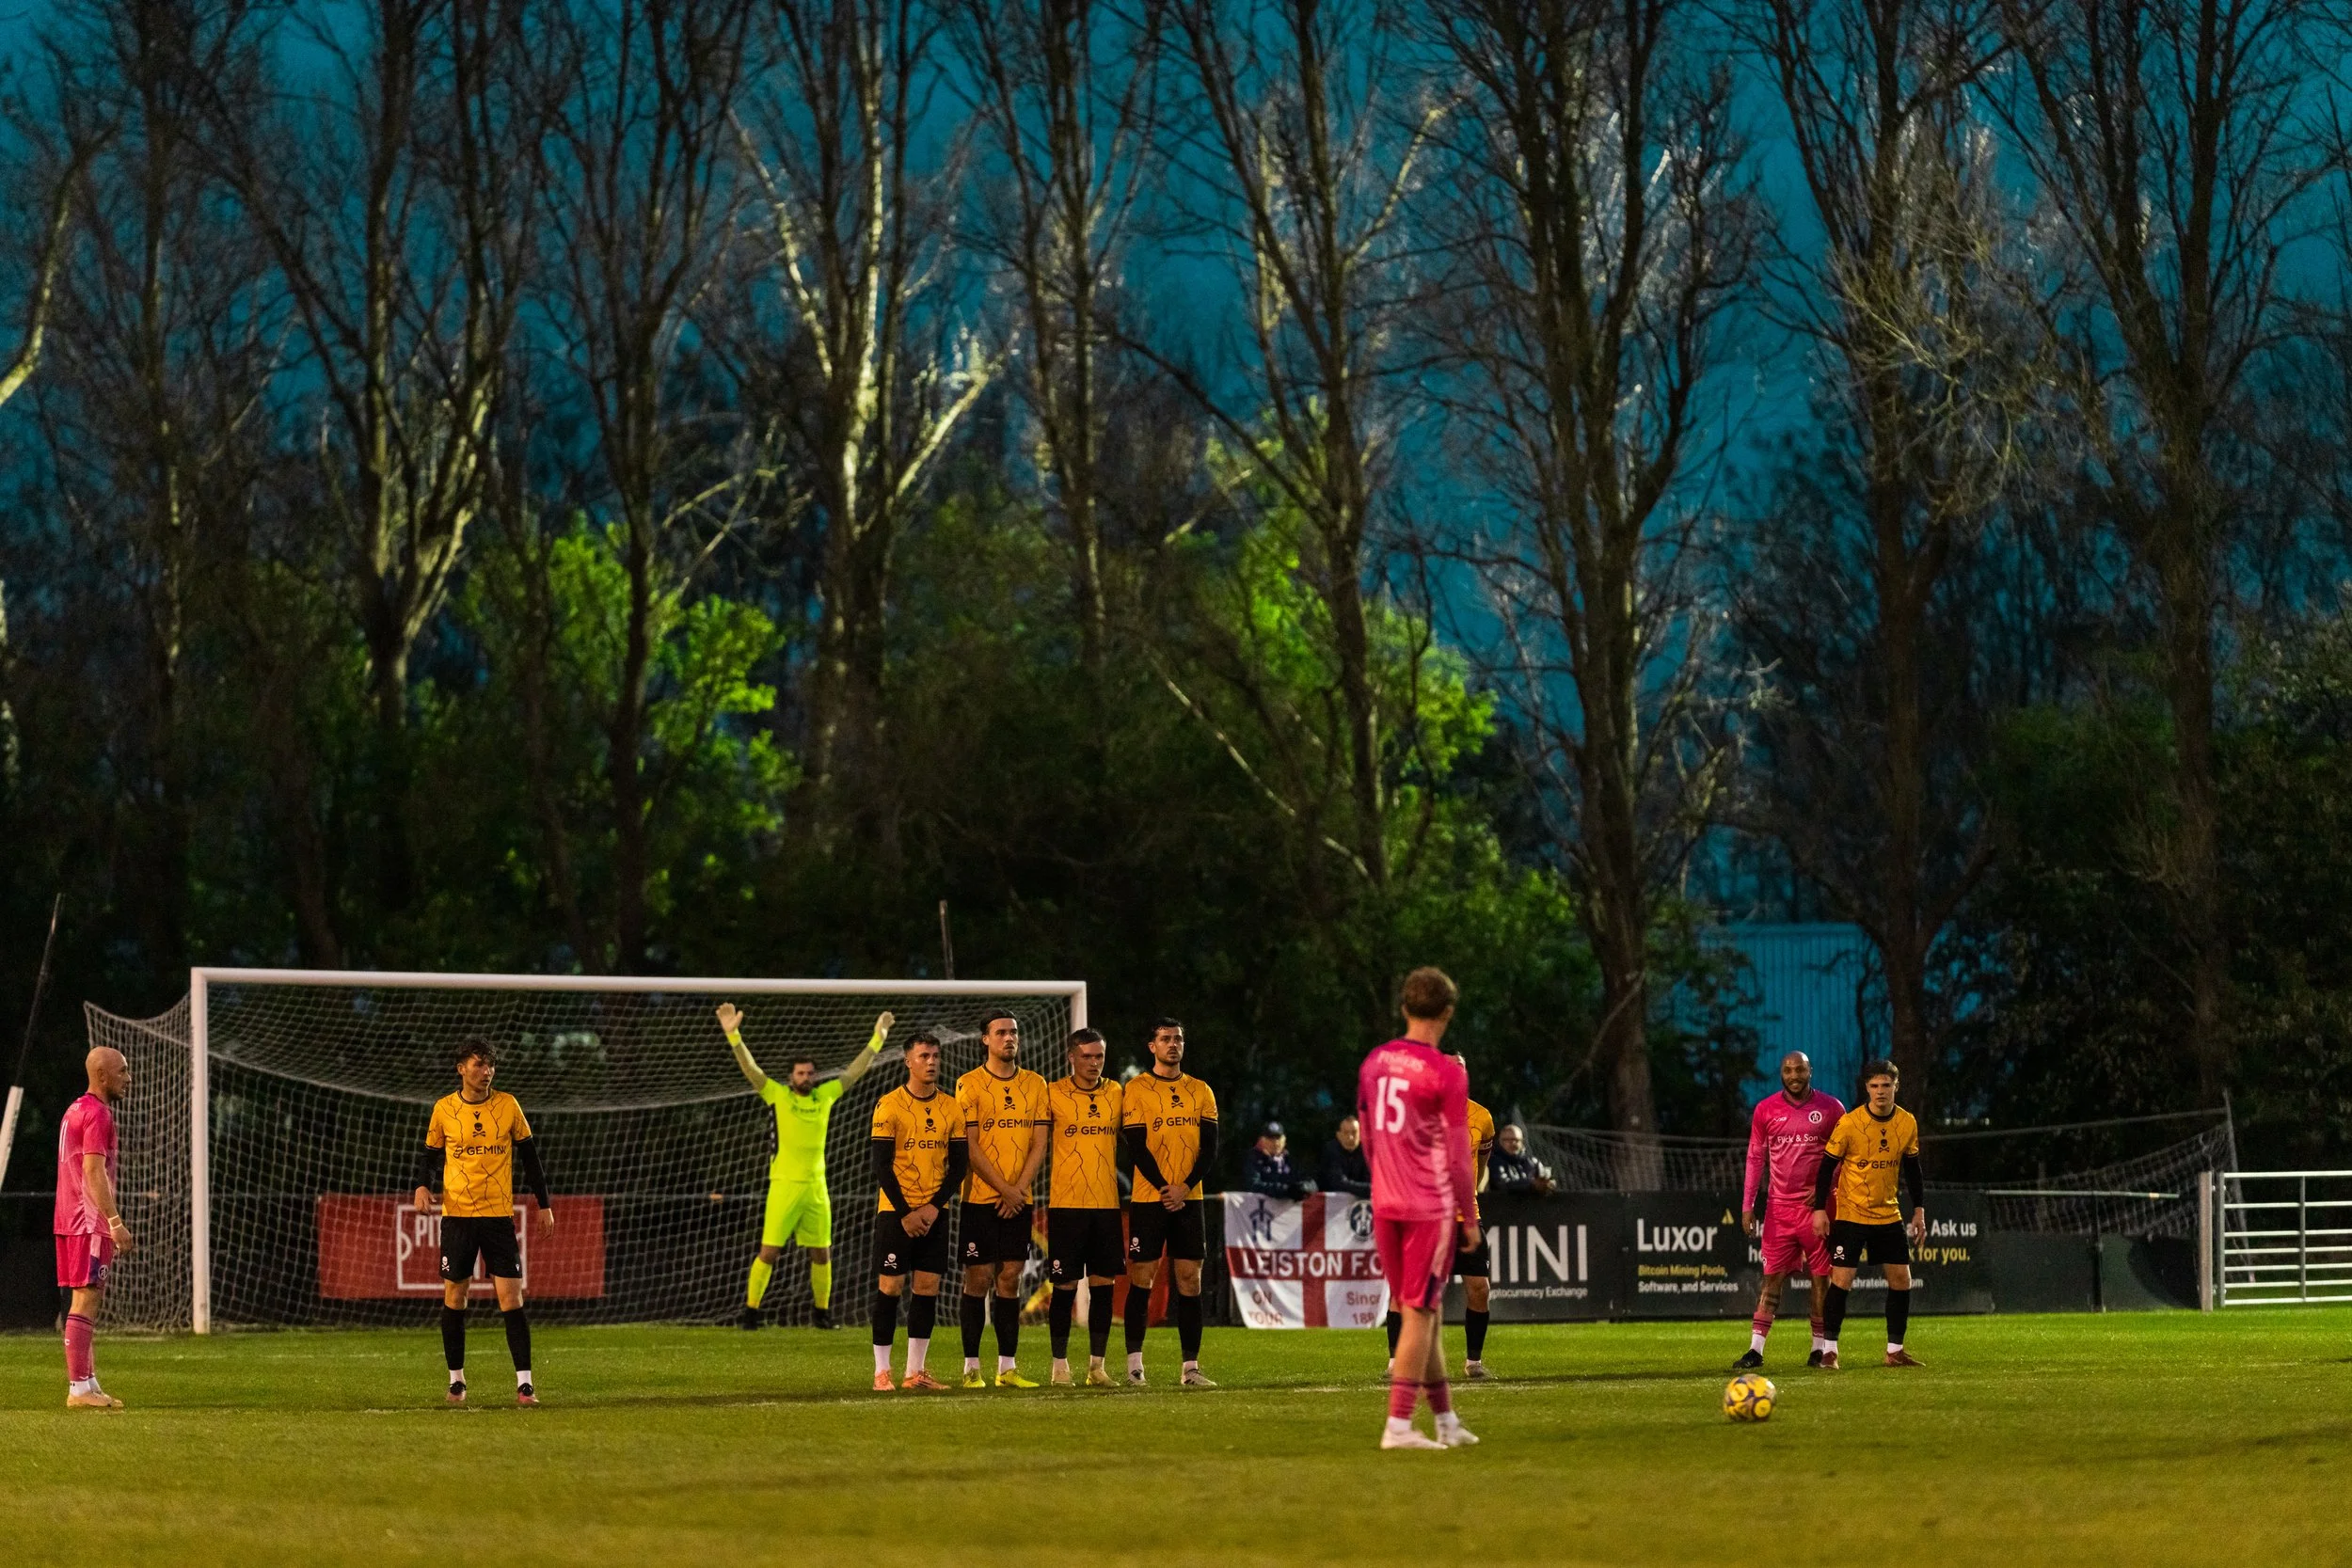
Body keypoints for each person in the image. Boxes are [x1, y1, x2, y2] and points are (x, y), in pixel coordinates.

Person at [1359, 967, 1480, 1449]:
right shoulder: (1447, 1071)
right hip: (1428, 1206)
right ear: (1448, 1013)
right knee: (1420, 1313)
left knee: (1419, 1312)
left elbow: (1367, 1134)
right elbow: (1456, 1153)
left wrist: (1384, 1179)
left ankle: (1446, 1419)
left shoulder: (1376, 1061)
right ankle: (1399, 1425)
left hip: (1385, 1202)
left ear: (1404, 1008)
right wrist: (1468, 1218)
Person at [719, 1003, 892, 1330]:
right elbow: (751, 1070)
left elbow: (854, 1072)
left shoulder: (824, 1096)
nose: (806, 1077)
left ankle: (822, 1314)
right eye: (800, 1073)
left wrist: (877, 1039)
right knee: (769, 1252)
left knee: (822, 1254)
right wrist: (734, 1036)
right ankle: (750, 1313)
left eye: (810, 1072)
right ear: (791, 1076)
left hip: (816, 1188)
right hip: (784, 1185)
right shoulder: (778, 1095)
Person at [412, 1037, 555, 1407]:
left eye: (490, 1064)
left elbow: (531, 1158)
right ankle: (456, 1381)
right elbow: (429, 1156)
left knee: (512, 1298)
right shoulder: (444, 1109)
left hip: (497, 1216)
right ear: (461, 1068)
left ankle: (525, 1385)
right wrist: (422, 1186)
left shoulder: (508, 1106)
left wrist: (544, 1204)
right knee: (455, 1296)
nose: (486, 1071)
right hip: (457, 1217)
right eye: (478, 1064)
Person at [1809, 1059, 1927, 1370]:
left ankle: (1895, 1351)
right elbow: (1825, 1168)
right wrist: (1819, 1209)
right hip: (1851, 1213)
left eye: (1886, 1085)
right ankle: (1830, 1351)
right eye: (1874, 1086)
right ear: (1866, 1089)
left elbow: (1913, 1169)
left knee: (1902, 1280)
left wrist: (1919, 1210)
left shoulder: (1907, 1123)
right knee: (1842, 1280)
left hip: (1888, 1213)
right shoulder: (1849, 1123)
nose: (1880, 1092)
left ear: (1895, 1087)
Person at [1120, 1017, 1219, 1387]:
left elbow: (1209, 1148)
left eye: (1178, 1038)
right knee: (1142, 1277)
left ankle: (1190, 1369)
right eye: (1165, 1039)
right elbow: (1136, 1146)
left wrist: (1185, 1186)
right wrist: (1166, 1187)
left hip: (1189, 1198)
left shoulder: (1201, 1091)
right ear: (1152, 1047)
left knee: (1189, 1278)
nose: (1173, 1044)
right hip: (1150, 1197)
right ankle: (1134, 1367)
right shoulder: (1137, 1089)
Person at [868, 1029, 968, 1391]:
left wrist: (932, 1207)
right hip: (897, 1212)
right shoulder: (889, 1105)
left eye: (935, 1056)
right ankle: (882, 1372)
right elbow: (881, 1165)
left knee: (927, 1288)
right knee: (891, 1287)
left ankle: (915, 1373)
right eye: (924, 1056)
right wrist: (908, 1212)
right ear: (907, 1060)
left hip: (933, 1213)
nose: (931, 1062)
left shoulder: (951, 1107)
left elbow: (958, 1167)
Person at [955, 1009, 1050, 1388]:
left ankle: (1007, 1368)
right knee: (978, 1278)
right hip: (980, 1198)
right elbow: (971, 1147)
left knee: (1010, 1278)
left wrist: (1018, 1190)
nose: (1009, 1038)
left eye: (1013, 1032)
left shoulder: (1036, 1084)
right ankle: (970, 1368)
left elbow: (1040, 1142)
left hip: (1017, 1199)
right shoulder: (969, 1084)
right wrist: (1004, 1189)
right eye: (1001, 1033)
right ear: (985, 1040)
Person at [1382, 1059, 1494, 1380]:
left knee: (1479, 1288)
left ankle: (1473, 1362)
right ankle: (1395, 1363)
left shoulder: (1482, 1116)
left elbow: (1482, 1160)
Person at [1734, 1051, 1846, 1370]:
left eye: (1800, 1069)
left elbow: (1846, 1154)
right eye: (1787, 1070)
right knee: (1771, 1280)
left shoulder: (1831, 1108)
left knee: (1820, 1280)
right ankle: (1755, 1350)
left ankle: (1819, 1349)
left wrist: (1824, 1189)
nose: (1794, 1075)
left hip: (1818, 1211)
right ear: (1781, 1074)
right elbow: (1755, 1158)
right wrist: (1747, 1206)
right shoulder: (1765, 1110)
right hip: (1778, 1211)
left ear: (1811, 1071)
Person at [1043, 1027, 1125, 1386]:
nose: (1094, 1063)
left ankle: (1097, 1366)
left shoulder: (1117, 1093)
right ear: (1071, 1057)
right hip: (1066, 1204)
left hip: (1106, 1204)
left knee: (1103, 1286)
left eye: (1100, 1056)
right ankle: (1059, 1365)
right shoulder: (1053, 1093)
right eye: (1087, 1056)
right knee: (1064, 1287)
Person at [56, 1047, 132, 1410]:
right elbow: (93, 1170)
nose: (128, 1079)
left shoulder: (74, 1109)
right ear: (101, 1075)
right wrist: (115, 1222)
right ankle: (79, 1390)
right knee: (87, 1298)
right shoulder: (99, 1114)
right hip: (87, 1220)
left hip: (67, 1217)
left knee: (84, 1298)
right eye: (122, 1072)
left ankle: (88, 1383)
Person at [1240, 1121, 1311, 1197]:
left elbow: (1308, 1179)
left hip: (1290, 1208)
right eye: (1270, 1138)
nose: (1275, 1142)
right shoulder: (1254, 1158)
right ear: (1262, 1140)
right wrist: (1285, 1190)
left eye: (1278, 1138)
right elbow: (1253, 1185)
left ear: (1284, 1139)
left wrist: (1307, 1187)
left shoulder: (1290, 1159)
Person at [1487, 1125, 1554, 1195]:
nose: (1513, 1143)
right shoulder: (1493, 1161)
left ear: (1522, 1142)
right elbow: (1502, 1184)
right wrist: (1531, 1185)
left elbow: (1546, 1181)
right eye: (1507, 1140)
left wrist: (1548, 1184)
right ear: (1500, 1142)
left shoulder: (1533, 1162)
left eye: (1516, 1140)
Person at [1318, 1115, 1372, 1198]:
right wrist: (1369, 1188)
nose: (1350, 1137)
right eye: (1346, 1133)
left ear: (1361, 1134)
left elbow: (1371, 1179)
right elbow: (1339, 1183)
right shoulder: (1331, 1150)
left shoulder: (1366, 1151)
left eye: (1354, 1132)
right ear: (1338, 1135)